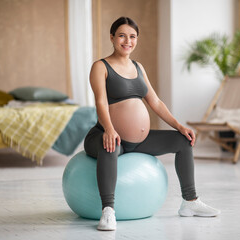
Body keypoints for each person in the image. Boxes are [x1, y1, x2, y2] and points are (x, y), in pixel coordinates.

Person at [84, 16, 220, 231]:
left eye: (132, 36)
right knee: (110, 146)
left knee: (183, 142)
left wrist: (179, 126)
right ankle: (108, 211)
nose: (127, 41)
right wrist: (109, 129)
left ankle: (190, 203)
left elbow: (155, 102)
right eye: (122, 36)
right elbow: (100, 102)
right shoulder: (100, 66)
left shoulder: (138, 67)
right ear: (112, 37)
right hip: (104, 135)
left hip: (138, 141)